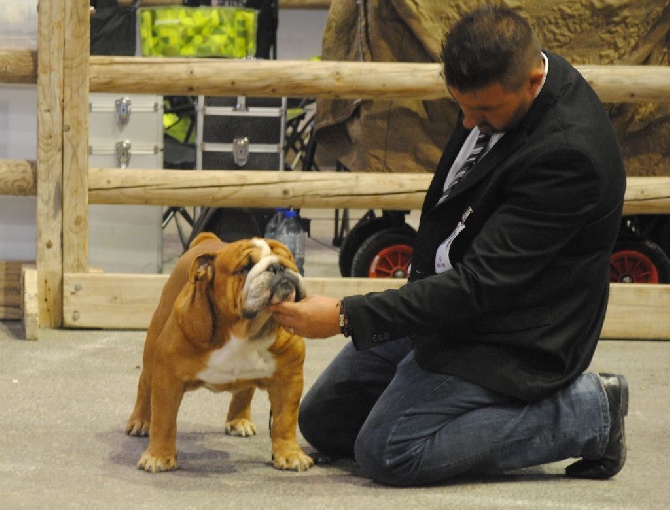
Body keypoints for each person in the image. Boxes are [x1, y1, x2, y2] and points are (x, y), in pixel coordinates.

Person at [271, 5, 628, 486]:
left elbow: (482, 286)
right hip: (451, 300)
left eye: (483, 110)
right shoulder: (500, 85)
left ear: (530, 78)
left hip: (514, 332)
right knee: (324, 423)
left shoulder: (569, 155)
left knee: (389, 452)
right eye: (461, 104)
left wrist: (345, 315)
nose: (467, 121)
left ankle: (589, 412)